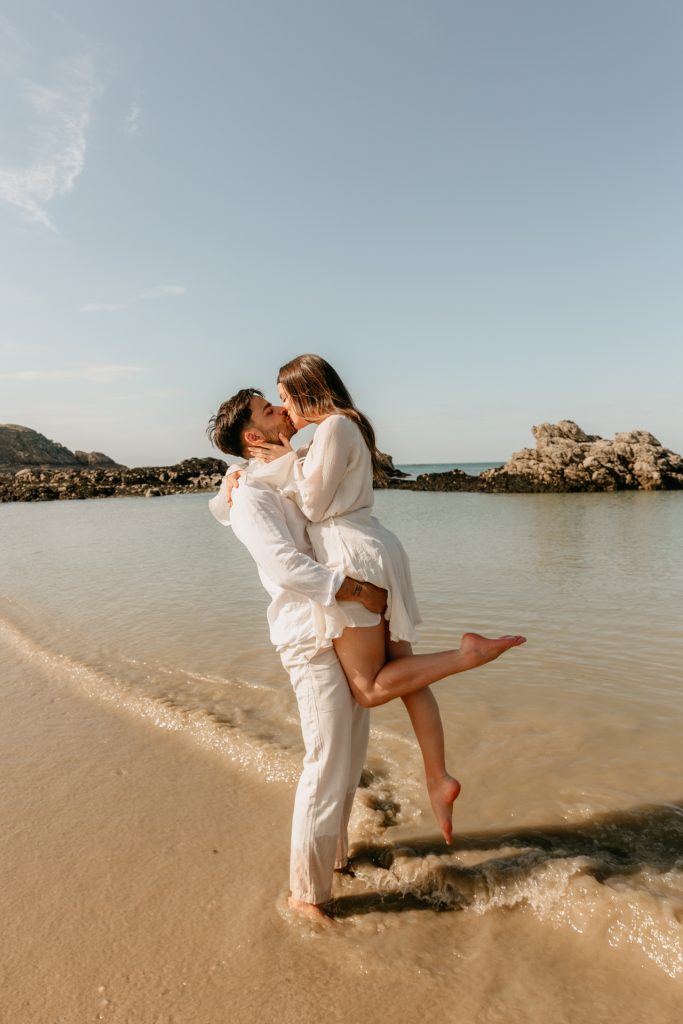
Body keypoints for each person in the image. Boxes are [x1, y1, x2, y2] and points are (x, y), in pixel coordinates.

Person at [240, 355, 526, 844]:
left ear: (307, 390)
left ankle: (467, 654)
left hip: (351, 554)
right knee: (407, 674)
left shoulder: (334, 427)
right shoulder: (335, 431)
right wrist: (246, 476)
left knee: (368, 689)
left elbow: (313, 505)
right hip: (369, 546)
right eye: (275, 405)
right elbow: (298, 486)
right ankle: (438, 778)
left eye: (283, 397)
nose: (283, 408)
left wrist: (283, 459)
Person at [207, 389, 389, 923]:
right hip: (307, 636)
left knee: (351, 754)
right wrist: (358, 590)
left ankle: (336, 857)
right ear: (252, 435)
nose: (284, 409)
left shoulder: (285, 470)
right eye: (270, 410)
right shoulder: (251, 494)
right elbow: (285, 565)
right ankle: (306, 894)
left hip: (338, 627)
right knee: (325, 759)